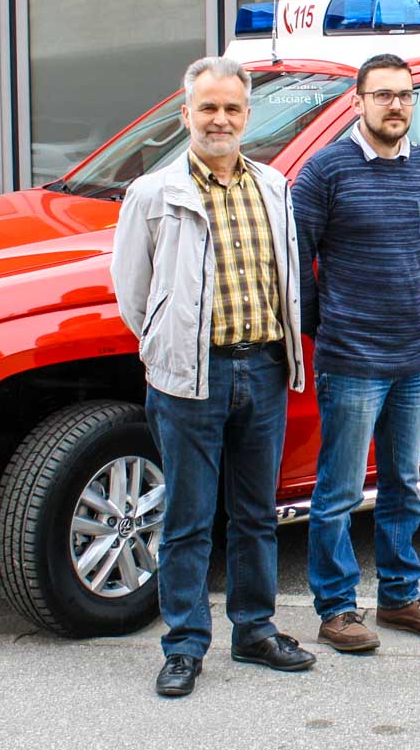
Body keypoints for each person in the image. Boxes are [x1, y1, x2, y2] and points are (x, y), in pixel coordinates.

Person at [111, 57, 314, 699]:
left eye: (231, 109)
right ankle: (184, 646)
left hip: (264, 366)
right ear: (186, 116)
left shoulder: (275, 187)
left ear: (248, 117)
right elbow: (132, 293)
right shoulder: (154, 192)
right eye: (208, 108)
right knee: (188, 519)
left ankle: (254, 630)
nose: (219, 119)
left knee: (257, 514)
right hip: (189, 377)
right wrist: (163, 345)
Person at [293, 53, 420, 653]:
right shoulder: (325, 172)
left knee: (403, 485)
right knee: (338, 490)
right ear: (358, 101)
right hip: (351, 358)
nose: (396, 105)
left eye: (406, 95)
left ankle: (398, 597)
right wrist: (328, 323)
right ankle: (336, 608)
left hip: (414, 356)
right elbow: (299, 263)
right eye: (384, 95)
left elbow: (416, 246)